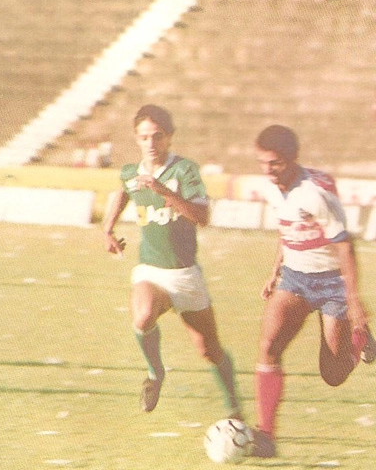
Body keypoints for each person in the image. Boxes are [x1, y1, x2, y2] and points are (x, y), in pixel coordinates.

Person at [103, 104, 242, 418]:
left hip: (185, 274)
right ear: (136, 139)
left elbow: (202, 217)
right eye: (144, 137)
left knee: (209, 350)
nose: (151, 143)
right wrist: (108, 228)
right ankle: (155, 373)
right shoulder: (131, 172)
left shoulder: (185, 170)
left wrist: (166, 193)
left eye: (158, 136)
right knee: (142, 316)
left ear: (169, 137)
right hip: (151, 270)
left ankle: (234, 408)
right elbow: (122, 191)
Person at [252, 124, 376, 457]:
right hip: (295, 280)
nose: (268, 170)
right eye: (263, 163)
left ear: (292, 158)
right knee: (269, 347)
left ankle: (361, 339)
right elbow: (287, 228)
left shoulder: (315, 193)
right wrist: (274, 270)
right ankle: (265, 435)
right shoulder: (274, 189)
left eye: (275, 163)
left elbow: (345, 247)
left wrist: (354, 305)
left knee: (333, 375)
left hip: (332, 282)